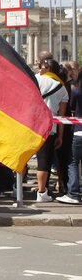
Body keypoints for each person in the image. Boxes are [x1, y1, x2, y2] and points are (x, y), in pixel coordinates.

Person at [35, 59, 68, 202]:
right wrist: (60, 136)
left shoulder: (36, 80)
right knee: (44, 160)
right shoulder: (62, 88)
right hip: (50, 128)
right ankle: (42, 192)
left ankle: (17, 189)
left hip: (32, 125)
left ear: (47, 69)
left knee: (24, 156)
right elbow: (62, 116)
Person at [58, 71, 82, 204]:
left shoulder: (76, 91)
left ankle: (73, 193)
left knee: (73, 162)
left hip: (78, 131)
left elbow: (71, 106)